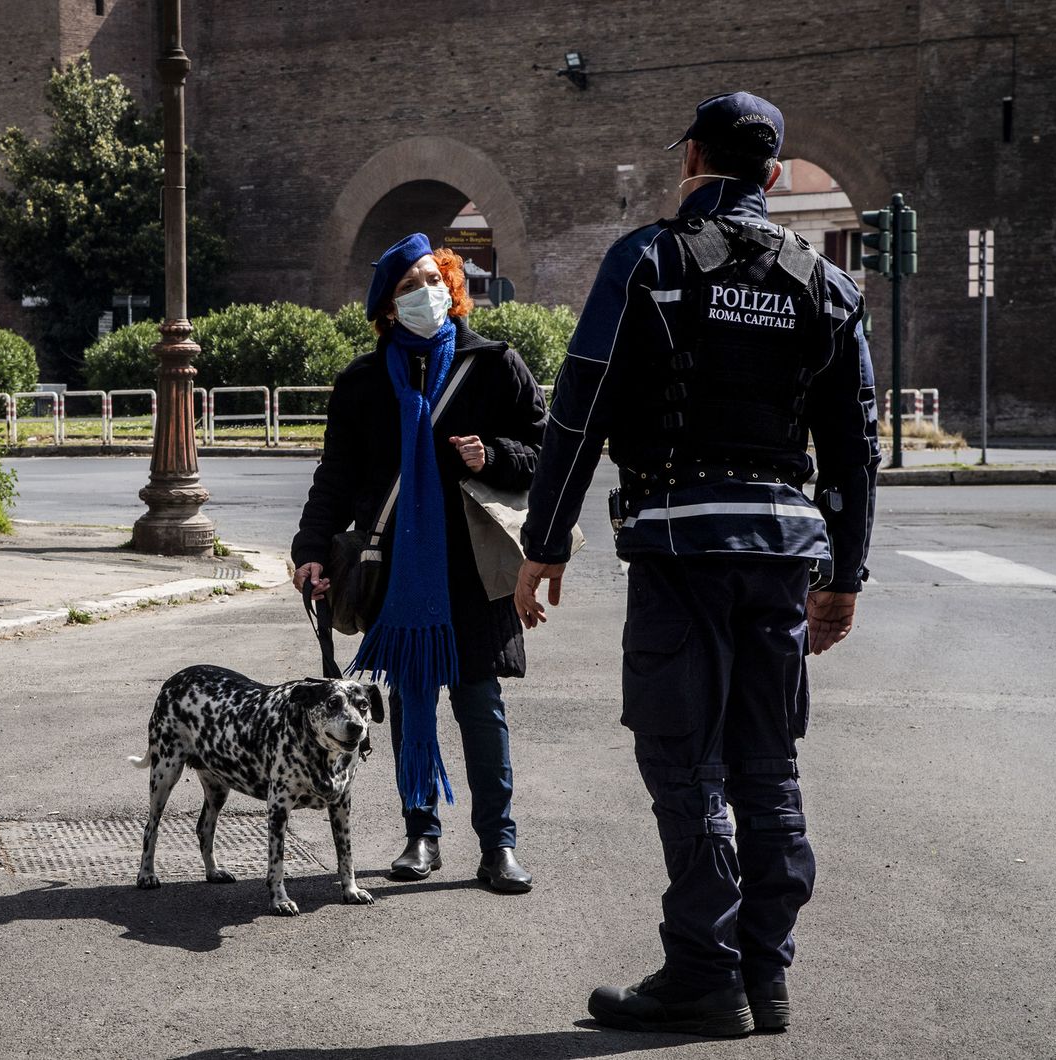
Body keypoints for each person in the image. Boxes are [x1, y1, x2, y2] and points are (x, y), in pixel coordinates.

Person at [515, 92, 879, 1035]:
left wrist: (544, 544)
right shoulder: (825, 284)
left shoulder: (648, 262)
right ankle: (768, 976)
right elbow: (853, 448)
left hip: (682, 547)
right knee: (769, 762)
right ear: (770, 175)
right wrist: (846, 575)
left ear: (692, 160)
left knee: (687, 762)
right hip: (784, 557)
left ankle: (703, 974)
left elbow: (580, 406)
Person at [292, 233, 547, 893]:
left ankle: (499, 846)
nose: (426, 293)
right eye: (408, 287)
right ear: (386, 308)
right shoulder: (363, 383)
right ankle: (420, 834)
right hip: (398, 569)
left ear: (452, 284)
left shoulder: (494, 364)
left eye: (433, 278)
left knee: (480, 703)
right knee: (410, 700)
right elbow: (336, 478)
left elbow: (546, 453)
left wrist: (493, 455)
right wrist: (311, 552)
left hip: (476, 569)